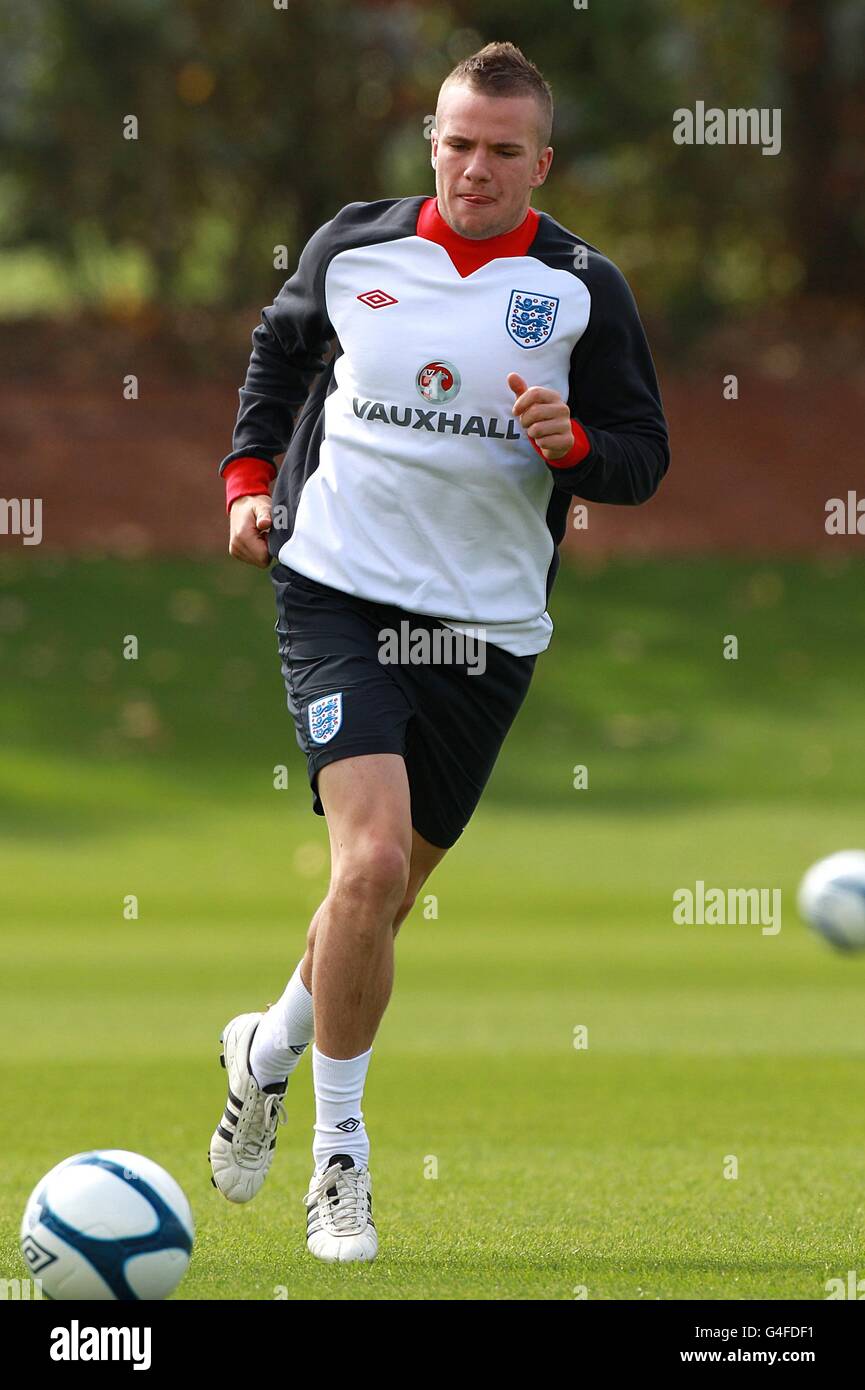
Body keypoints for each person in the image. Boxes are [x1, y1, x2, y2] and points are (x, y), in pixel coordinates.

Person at [209, 40, 670, 1264]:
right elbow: (277, 354)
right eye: (457, 143)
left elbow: (641, 454)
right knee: (362, 871)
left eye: (502, 151)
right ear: (432, 140)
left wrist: (572, 445)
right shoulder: (354, 246)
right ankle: (340, 1163)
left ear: (541, 161)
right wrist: (248, 484)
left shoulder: (582, 287)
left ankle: (262, 1051)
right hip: (337, 591)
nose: (474, 169)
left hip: (486, 629)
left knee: (387, 900)